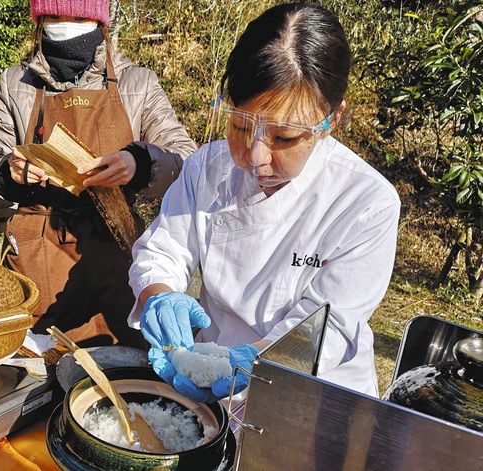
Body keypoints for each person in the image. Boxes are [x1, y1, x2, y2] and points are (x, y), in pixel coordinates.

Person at [128, 2, 400, 402]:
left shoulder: (365, 203)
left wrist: (251, 362)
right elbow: (163, 249)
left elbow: (326, 329)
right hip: (213, 380)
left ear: (332, 120)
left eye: (285, 138)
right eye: (239, 125)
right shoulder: (208, 167)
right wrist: (159, 295)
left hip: (310, 394)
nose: (255, 157)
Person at [0, 0, 196, 350]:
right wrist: (7, 173)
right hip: (37, 253)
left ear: (99, 23)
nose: (65, 27)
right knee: (37, 369)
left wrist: (138, 164)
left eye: (78, 17)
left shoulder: (137, 83)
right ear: (39, 19)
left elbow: (187, 162)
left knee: (117, 370)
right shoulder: (16, 83)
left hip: (116, 252)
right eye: (54, 16)